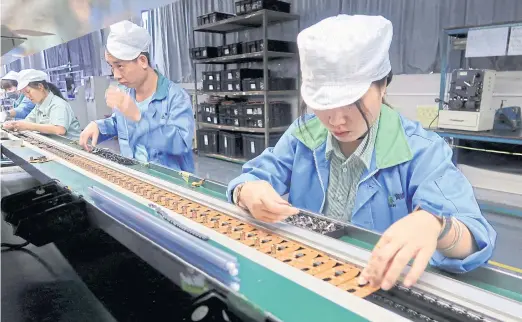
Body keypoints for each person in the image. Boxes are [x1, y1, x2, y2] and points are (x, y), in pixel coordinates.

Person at [227, 15, 496, 291]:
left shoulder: (420, 151)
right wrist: (246, 191)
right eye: (324, 104)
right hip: (307, 273)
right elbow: (255, 176)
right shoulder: (303, 136)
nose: (337, 120)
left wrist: (436, 226)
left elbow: (476, 237)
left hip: (381, 286)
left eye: (352, 102)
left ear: (384, 85)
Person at [79, 20, 195, 172]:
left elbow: (181, 144)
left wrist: (139, 117)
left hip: (170, 185)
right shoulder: (127, 92)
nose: (116, 75)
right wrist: (99, 127)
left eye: (120, 66)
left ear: (142, 61)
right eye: (111, 66)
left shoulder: (176, 97)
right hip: (135, 177)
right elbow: (119, 123)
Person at [2, 69, 81, 139]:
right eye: (24, 94)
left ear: (40, 87)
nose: (27, 96)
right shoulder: (39, 105)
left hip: (73, 148)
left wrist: (29, 126)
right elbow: (28, 121)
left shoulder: (58, 104)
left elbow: (59, 130)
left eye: (28, 92)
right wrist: (13, 124)